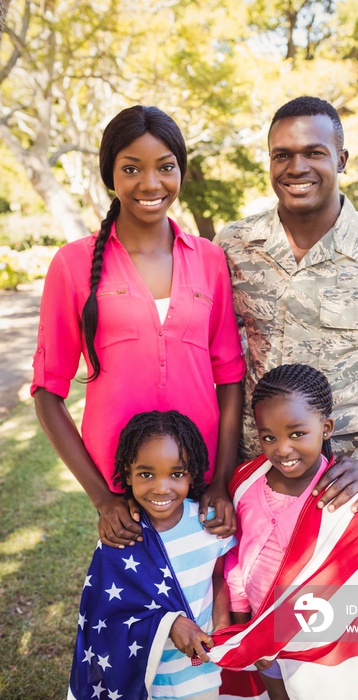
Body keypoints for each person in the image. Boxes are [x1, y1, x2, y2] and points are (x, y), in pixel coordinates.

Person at [214, 96, 358, 699]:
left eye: (314, 152)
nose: (298, 166)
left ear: (342, 157)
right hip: (255, 495)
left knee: (345, 656)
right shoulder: (234, 249)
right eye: (282, 154)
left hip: (345, 500)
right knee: (254, 645)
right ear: (268, 163)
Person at [31, 105, 245, 548]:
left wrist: (220, 481)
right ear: (111, 174)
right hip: (123, 495)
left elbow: (229, 378)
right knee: (136, 612)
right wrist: (103, 499)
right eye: (132, 168)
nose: (151, 183)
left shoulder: (209, 260)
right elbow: (48, 393)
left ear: (180, 172)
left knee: (210, 608)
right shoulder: (72, 265)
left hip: (199, 486)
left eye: (166, 167)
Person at [209, 364, 358, 700]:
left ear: (326, 428)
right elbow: (237, 552)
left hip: (313, 639)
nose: (282, 449)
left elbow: (355, 586)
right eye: (268, 437)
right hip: (260, 629)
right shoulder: (247, 484)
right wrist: (243, 614)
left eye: (297, 434)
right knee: (276, 693)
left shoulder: (341, 503)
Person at [68, 409, 236, 700]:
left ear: (192, 473)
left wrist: (222, 625)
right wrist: (169, 624)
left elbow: (219, 577)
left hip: (200, 675)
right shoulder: (121, 535)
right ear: (127, 473)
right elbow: (106, 618)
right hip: (142, 678)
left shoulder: (208, 524)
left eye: (177, 474)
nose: (162, 487)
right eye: (146, 474)